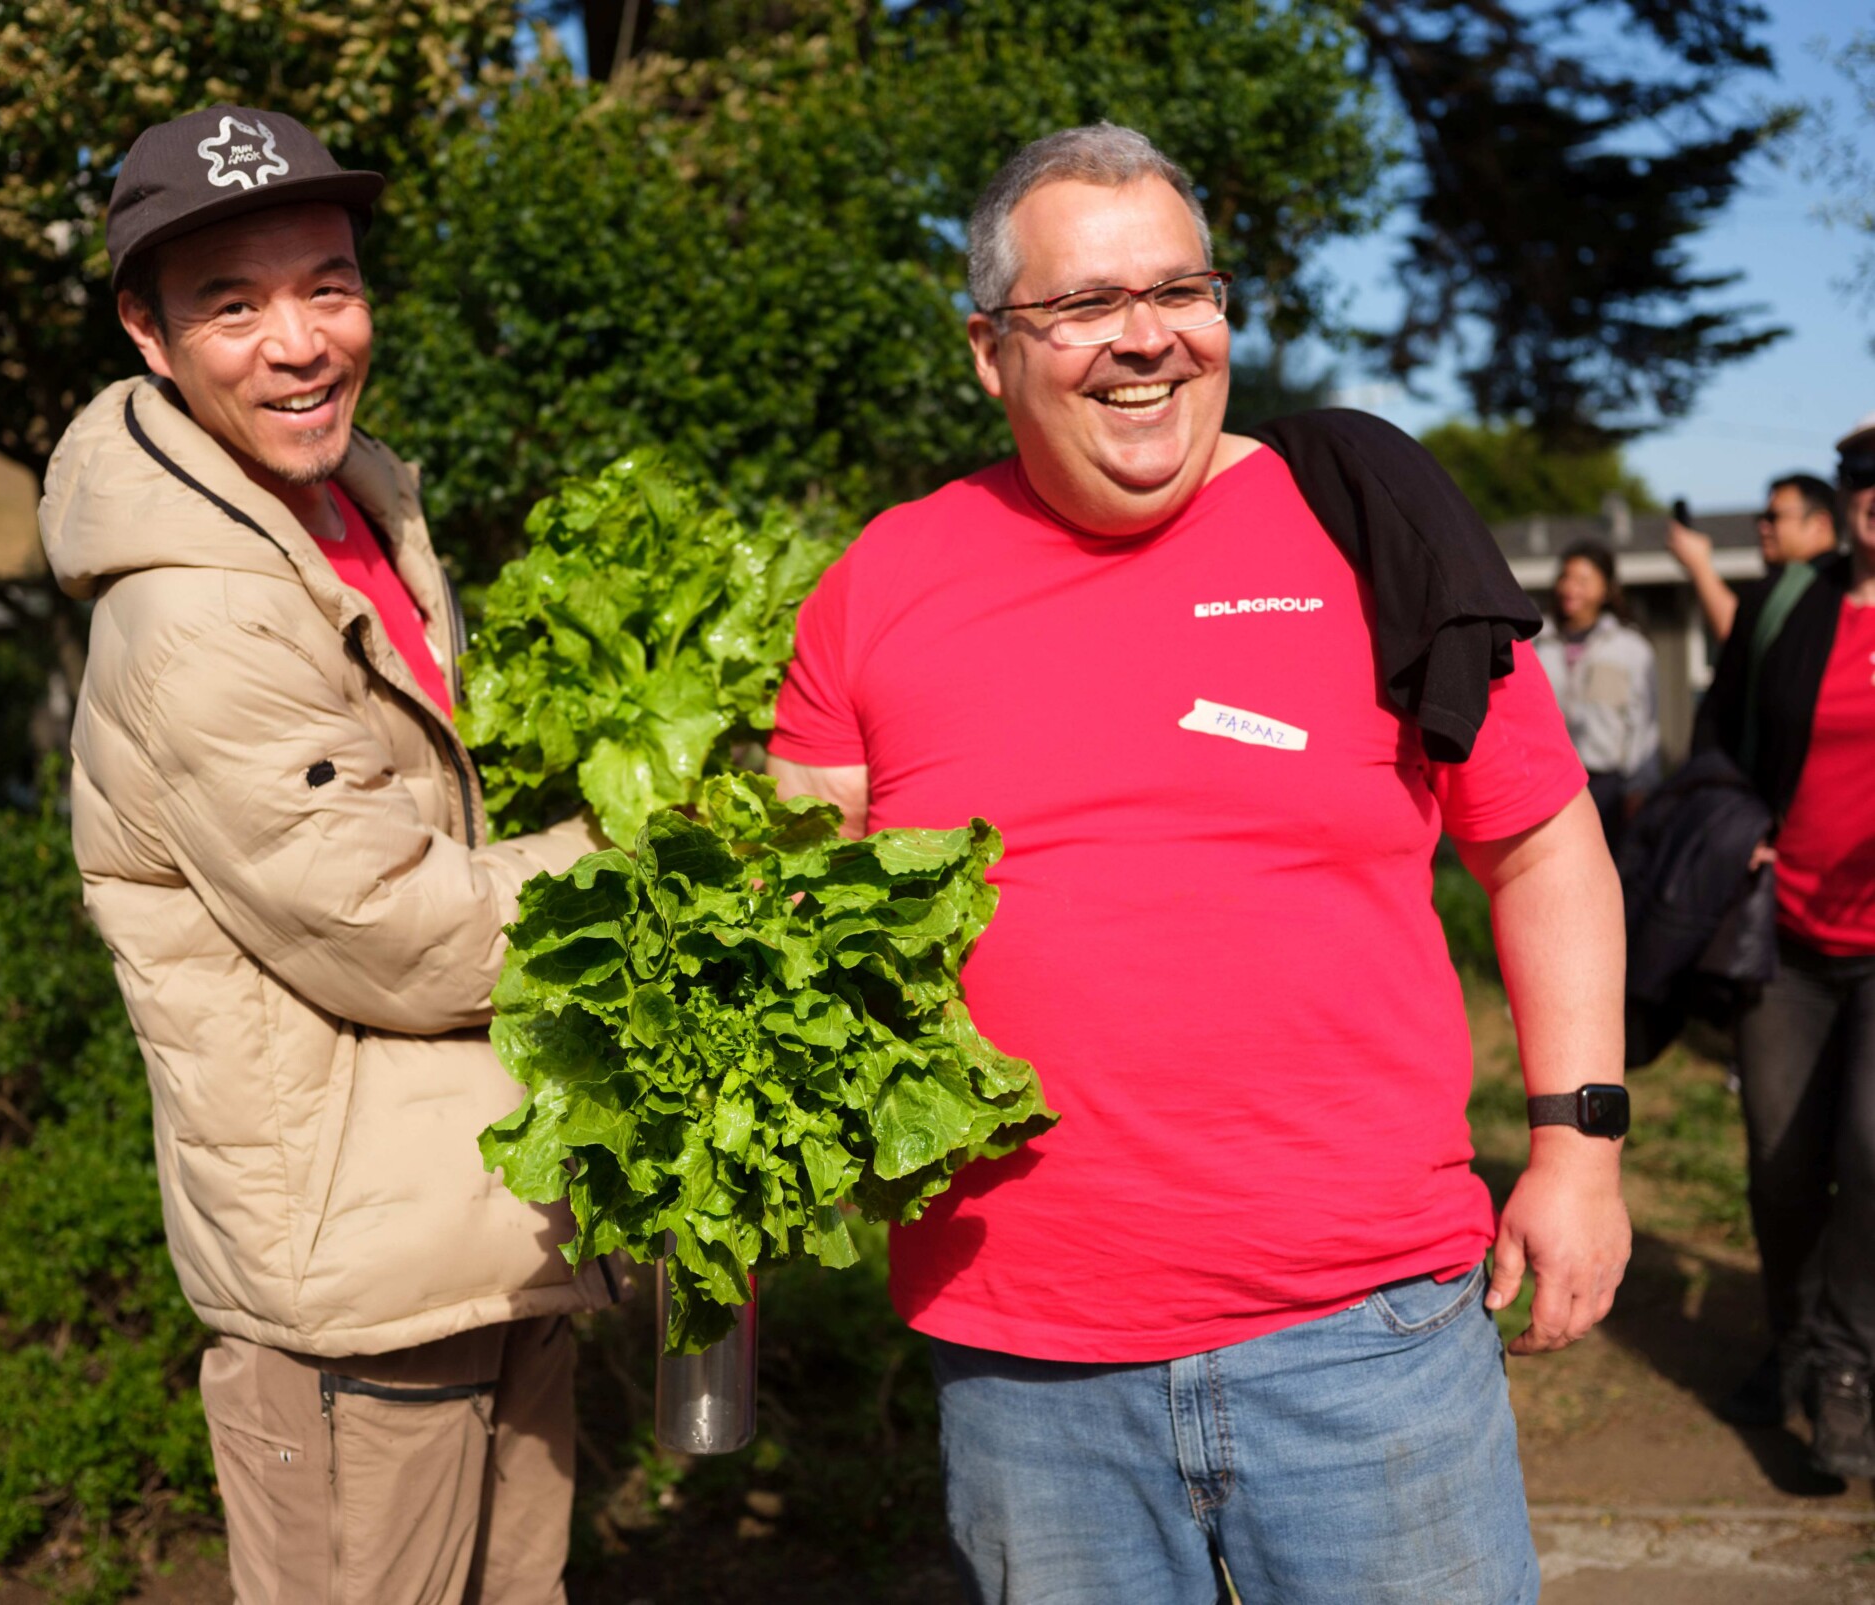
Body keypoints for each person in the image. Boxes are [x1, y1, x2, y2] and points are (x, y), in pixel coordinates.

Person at [767, 123, 1631, 1603]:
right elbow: (794, 911)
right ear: (988, 351)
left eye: (1184, 289)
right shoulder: (881, 582)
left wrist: (1579, 1146)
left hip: (1369, 1339)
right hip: (1026, 1361)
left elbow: (1544, 842)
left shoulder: (1370, 531)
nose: (1146, 339)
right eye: (1086, 305)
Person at [39, 107, 617, 1605]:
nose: (301, 342)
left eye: (330, 285)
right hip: (361, 1301)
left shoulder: (348, 517)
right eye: (235, 305)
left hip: (479, 1237)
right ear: (149, 335)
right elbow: (394, 929)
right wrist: (639, 860)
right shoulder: (197, 614)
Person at [1693, 412, 1875, 1477]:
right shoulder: (1783, 607)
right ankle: (1791, 1345)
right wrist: (1740, 832)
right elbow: (1714, 743)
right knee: (1779, 1166)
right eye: (1861, 476)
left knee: (1870, 1149)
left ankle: (1848, 1370)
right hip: (1787, 941)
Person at [1538, 540, 1660, 855]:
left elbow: (1643, 722)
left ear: (1606, 589)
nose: (1571, 588)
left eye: (1583, 580)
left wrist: (1639, 787)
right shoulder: (1535, 644)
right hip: (1546, 781)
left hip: (1607, 786)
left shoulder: (1630, 649)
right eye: (1566, 578)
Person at [1666, 473, 1839, 642]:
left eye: (1773, 517)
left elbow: (1737, 633)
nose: (1763, 527)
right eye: (1761, 518)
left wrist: (1700, 565)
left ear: (1820, 524)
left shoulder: (1834, 584)